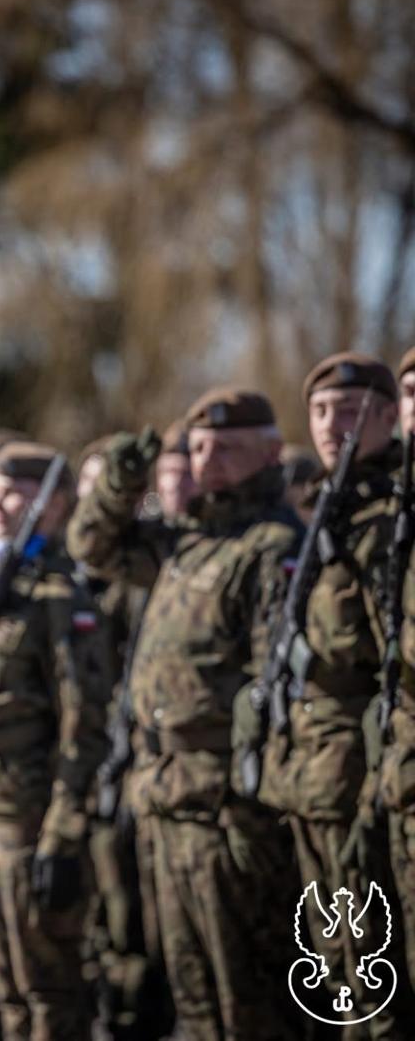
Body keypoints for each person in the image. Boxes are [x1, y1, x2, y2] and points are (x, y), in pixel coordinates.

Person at [68, 388, 303, 1040]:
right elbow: (92, 544)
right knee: (191, 1000)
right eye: (199, 448)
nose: (210, 461)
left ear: (269, 454)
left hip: (228, 808)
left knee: (248, 1003)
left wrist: (247, 791)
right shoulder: (188, 543)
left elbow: (276, 689)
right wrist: (121, 480)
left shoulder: (273, 545)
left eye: (228, 448)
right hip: (168, 799)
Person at [0, 443, 111, 1040]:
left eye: (15, 491)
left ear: (56, 505)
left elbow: (84, 728)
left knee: (47, 995)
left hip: (29, 820)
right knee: (6, 996)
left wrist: (63, 834)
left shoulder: (59, 597)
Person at [277, 355, 407, 1038]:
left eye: (353, 410)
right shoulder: (330, 510)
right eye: (322, 411)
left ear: (391, 417)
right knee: (336, 979)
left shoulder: (391, 518)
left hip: (365, 780)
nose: (334, 426)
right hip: (311, 779)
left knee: (378, 985)